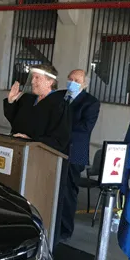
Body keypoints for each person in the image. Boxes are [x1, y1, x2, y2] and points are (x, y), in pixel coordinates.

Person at [54, 69, 101, 243]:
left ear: (84, 84)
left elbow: (85, 127)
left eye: (76, 80)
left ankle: (65, 229)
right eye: (70, 78)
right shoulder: (59, 96)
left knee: (68, 192)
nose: (72, 82)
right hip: (53, 149)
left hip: (74, 153)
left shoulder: (90, 103)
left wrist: (59, 129)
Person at [3, 64, 71, 154]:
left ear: (50, 82)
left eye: (37, 77)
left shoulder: (59, 104)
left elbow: (59, 139)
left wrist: (32, 140)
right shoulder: (27, 99)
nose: (32, 81)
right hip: (18, 149)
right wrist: (11, 101)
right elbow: (14, 120)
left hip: (40, 155)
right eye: (32, 77)